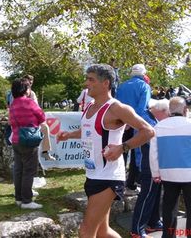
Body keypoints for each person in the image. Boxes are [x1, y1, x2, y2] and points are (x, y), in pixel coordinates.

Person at [57, 64, 154, 238]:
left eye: (91, 79)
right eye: (87, 79)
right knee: (104, 232)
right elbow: (90, 130)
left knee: (86, 231)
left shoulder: (117, 108)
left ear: (105, 83)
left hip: (108, 177)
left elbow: (148, 131)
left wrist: (122, 148)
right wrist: (69, 135)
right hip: (92, 174)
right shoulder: (89, 107)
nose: (86, 83)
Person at [150, 96, 191, 238]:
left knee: (169, 207)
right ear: (185, 109)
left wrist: (155, 172)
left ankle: (168, 235)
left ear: (169, 110)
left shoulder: (159, 127)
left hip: (168, 173)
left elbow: (153, 153)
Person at [130, 99, 170, 238]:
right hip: (147, 161)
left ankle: (153, 222)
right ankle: (137, 229)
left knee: (156, 193)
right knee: (147, 195)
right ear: (161, 111)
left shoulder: (153, 118)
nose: (168, 117)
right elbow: (148, 140)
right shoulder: (145, 119)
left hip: (155, 161)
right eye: (168, 114)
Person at [9, 78, 46, 209]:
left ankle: (18, 198)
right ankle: (27, 201)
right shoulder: (30, 102)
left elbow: (10, 121)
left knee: (18, 170)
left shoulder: (13, 104)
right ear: (26, 89)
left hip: (16, 140)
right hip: (29, 140)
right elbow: (42, 117)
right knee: (29, 171)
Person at [116, 64, 151, 196]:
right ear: (143, 74)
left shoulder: (122, 85)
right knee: (137, 153)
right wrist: (132, 122)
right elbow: (143, 107)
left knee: (121, 151)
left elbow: (117, 105)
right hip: (136, 124)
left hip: (121, 124)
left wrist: (124, 121)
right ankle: (131, 183)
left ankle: (118, 183)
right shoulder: (144, 86)